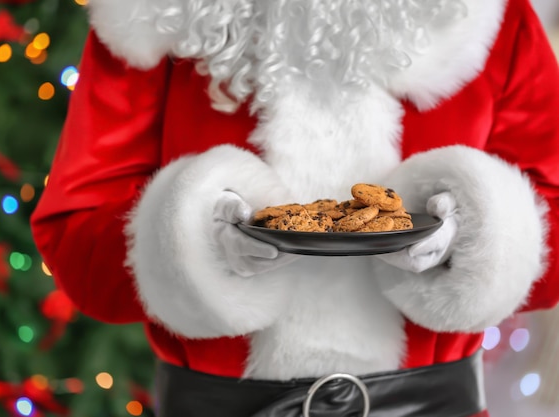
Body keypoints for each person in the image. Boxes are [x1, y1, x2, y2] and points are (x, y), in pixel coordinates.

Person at [31, 0, 559, 416]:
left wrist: (477, 235)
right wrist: (193, 242)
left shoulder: (486, 15)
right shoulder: (153, 14)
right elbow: (76, 234)